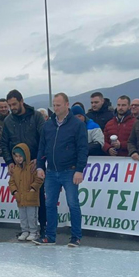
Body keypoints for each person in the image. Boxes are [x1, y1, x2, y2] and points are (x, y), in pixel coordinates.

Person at [34, 93, 88, 247]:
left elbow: (83, 149)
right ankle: (50, 236)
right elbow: (42, 148)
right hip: (51, 171)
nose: (56, 108)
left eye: (58, 105)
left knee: (73, 204)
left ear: (67, 104)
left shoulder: (77, 125)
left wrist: (79, 170)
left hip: (69, 171)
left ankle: (76, 237)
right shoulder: (48, 125)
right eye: (54, 105)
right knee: (49, 204)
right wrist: (39, 166)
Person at [1, 89, 47, 231]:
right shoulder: (8, 120)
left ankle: (44, 227)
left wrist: (39, 161)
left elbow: (45, 140)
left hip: (34, 164)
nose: (12, 108)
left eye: (14, 104)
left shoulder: (37, 116)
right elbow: (4, 143)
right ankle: (26, 229)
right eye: (10, 105)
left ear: (22, 101)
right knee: (22, 199)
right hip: (18, 166)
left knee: (38, 197)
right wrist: (9, 161)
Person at [9, 143, 43, 242]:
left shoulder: (32, 167)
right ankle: (25, 230)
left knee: (31, 215)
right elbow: (11, 181)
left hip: (31, 197)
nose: (18, 159)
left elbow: (39, 180)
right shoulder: (15, 169)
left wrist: (33, 188)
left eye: (20, 156)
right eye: (16, 156)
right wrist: (14, 191)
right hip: (20, 197)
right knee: (23, 215)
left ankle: (33, 231)